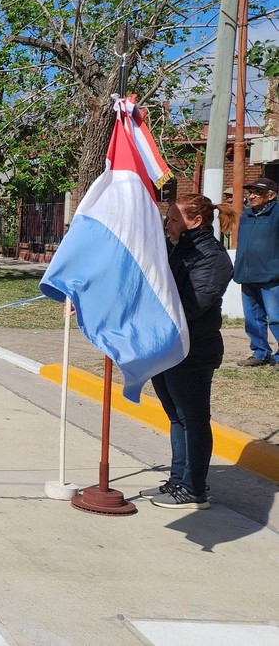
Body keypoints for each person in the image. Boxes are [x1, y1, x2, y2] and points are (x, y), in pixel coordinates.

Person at [139, 195, 234, 509]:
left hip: (192, 350)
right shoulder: (175, 248)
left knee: (193, 420)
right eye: (168, 219)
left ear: (197, 221)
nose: (168, 225)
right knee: (176, 418)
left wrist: (153, 307)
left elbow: (193, 304)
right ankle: (178, 481)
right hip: (166, 345)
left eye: (174, 219)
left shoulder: (213, 257)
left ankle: (194, 489)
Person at [232, 177, 279, 368]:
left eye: (256, 193)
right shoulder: (247, 215)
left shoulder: (277, 214)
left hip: (272, 276)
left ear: (271, 195)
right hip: (247, 274)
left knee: (276, 317)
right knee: (253, 319)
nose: (251, 196)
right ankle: (260, 352)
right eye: (250, 192)